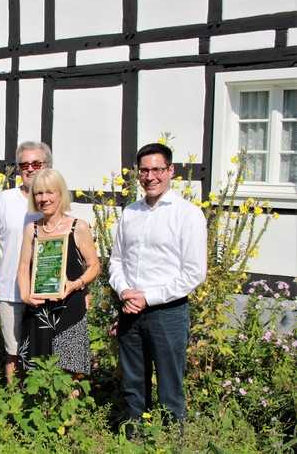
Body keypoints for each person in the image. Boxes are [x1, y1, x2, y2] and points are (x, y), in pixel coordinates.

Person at [109, 143, 206, 425]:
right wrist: (124, 290)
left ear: (170, 171)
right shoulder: (130, 213)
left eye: (157, 169)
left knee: (170, 384)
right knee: (132, 381)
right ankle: (134, 435)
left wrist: (148, 297)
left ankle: (172, 438)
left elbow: (194, 272)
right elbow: (116, 261)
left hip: (168, 312)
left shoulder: (187, 214)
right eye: (144, 170)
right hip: (129, 309)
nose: (150, 176)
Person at [17, 169, 100, 375]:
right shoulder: (32, 229)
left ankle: (70, 407)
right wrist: (26, 295)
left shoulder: (77, 227)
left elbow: (94, 266)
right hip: (39, 310)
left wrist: (76, 284)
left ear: (60, 194)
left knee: (70, 370)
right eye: (38, 193)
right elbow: (23, 267)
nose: (43, 198)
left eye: (49, 192)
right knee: (37, 370)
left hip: (70, 306)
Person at [0, 141, 51, 381]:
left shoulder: (53, 199)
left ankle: (37, 401)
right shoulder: (6, 199)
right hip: (9, 288)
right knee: (12, 352)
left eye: (36, 163)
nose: (30, 169)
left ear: (47, 166)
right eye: (24, 164)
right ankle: (12, 402)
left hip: (44, 289)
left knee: (43, 351)